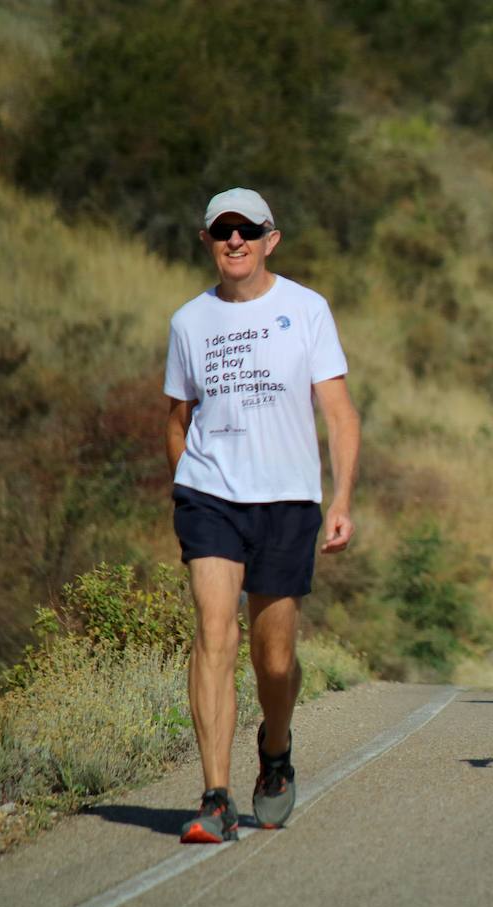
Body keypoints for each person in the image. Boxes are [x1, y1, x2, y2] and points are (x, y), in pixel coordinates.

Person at [164, 188, 360, 843]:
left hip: (287, 500)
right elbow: (177, 417)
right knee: (214, 634)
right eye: (223, 231)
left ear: (271, 238)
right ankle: (215, 796)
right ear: (207, 242)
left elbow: (338, 412)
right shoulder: (190, 321)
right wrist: (186, 488)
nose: (236, 241)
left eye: (248, 230)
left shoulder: (306, 310)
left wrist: (340, 499)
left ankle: (275, 750)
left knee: (273, 660)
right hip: (211, 497)